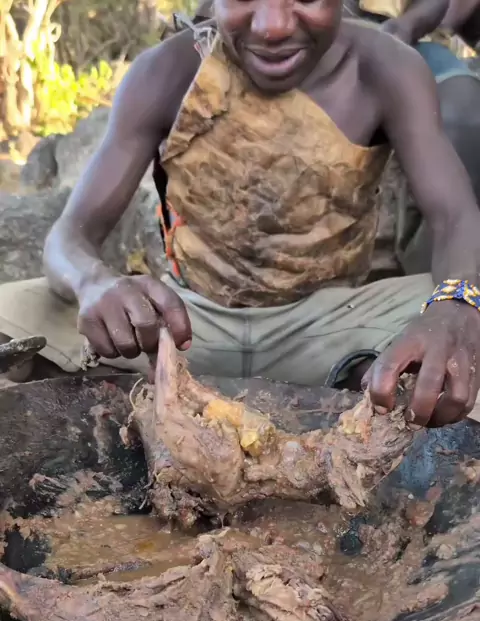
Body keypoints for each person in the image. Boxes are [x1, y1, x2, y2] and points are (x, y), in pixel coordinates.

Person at [0, 0, 480, 430]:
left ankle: (362, 376)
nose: (272, 26)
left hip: (335, 321)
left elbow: (455, 216)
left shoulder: (386, 67)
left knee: (464, 333)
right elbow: (69, 235)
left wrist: (455, 306)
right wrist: (94, 283)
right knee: (11, 315)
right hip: (184, 326)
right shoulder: (165, 72)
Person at [343, 0, 480, 274]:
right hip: (318, 40)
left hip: (407, 39)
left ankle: (428, 271)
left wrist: (405, 26)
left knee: (465, 115)